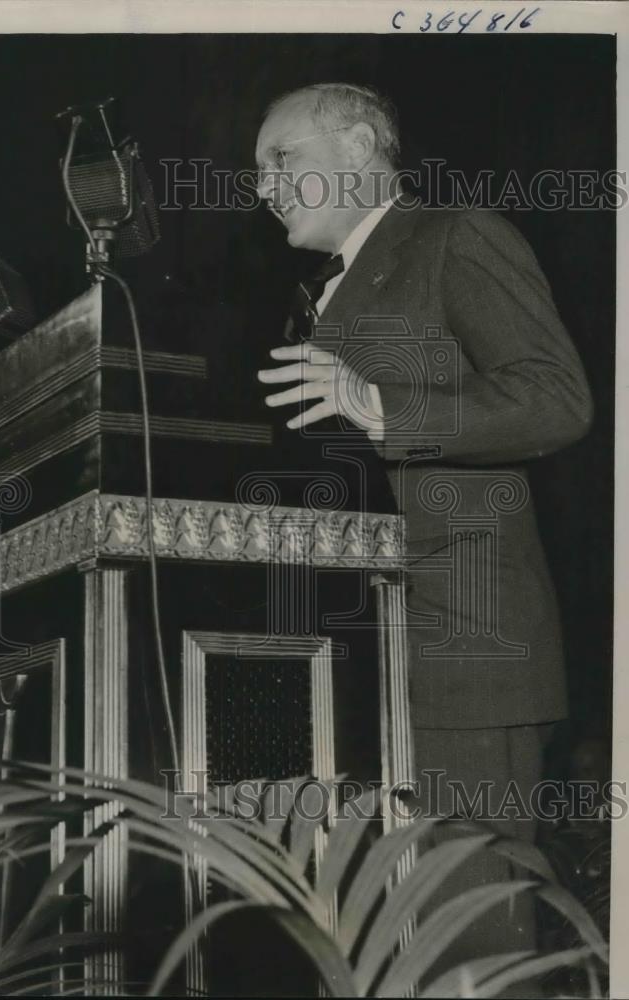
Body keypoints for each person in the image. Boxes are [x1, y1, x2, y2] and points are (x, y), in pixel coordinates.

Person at [255, 82, 594, 986]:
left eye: (281, 159)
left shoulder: (453, 238)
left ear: (360, 145)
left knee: (469, 933)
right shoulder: (320, 296)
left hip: (466, 643)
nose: (262, 185)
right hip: (358, 656)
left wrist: (378, 405)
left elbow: (556, 399)